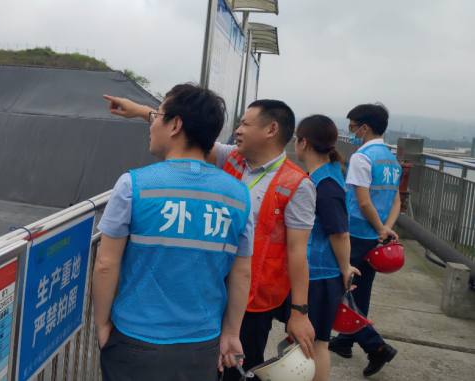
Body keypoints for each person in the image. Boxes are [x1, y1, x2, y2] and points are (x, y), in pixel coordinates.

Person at [104, 95, 317, 381]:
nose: (238, 130)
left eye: (245, 124)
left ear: (271, 130)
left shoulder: (298, 184)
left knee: (235, 370)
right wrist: (142, 112)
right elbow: (189, 136)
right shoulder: (233, 158)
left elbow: (297, 251)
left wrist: (299, 311)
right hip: (209, 293)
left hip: (253, 302)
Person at [92, 83, 255, 380]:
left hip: (134, 338)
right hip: (202, 343)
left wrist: (102, 324)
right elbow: (242, 273)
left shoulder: (133, 185)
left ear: (175, 125)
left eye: (157, 116)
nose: (152, 124)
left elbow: (106, 264)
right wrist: (230, 332)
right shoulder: (239, 195)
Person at [329, 103, 401, 377]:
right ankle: (346, 341)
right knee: (360, 291)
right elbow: (396, 200)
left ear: (364, 127)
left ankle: (376, 347)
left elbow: (363, 201)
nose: (351, 133)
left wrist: (379, 226)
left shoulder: (362, 157)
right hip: (375, 238)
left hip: (356, 234)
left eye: (351, 127)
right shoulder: (390, 158)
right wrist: (385, 229)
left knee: (339, 288)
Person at [286, 115, 361, 381]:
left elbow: (340, 233)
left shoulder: (326, 184)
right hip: (316, 273)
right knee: (306, 343)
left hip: (320, 275)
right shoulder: (323, 175)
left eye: (296, 138)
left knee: (315, 345)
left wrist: (345, 268)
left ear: (303, 142)